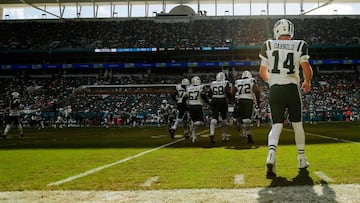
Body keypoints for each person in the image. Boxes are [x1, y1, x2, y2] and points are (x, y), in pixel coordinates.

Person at [259, 19, 313, 179]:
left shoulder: (268, 44)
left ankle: (271, 155)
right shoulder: (300, 44)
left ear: (276, 30)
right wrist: (307, 82)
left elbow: (262, 71)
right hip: (291, 88)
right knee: (297, 125)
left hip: (275, 89)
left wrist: (272, 82)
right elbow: (306, 68)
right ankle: (301, 159)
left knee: (276, 125)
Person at [231, 70, 261, 144]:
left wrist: (234, 101)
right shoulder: (251, 80)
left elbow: (232, 92)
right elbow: (257, 90)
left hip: (240, 100)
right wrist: (258, 101)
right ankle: (248, 134)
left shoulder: (238, 81)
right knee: (247, 120)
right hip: (248, 100)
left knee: (242, 117)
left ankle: (238, 122)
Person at [184, 76, 209, 143]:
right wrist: (209, 103)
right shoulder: (201, 87)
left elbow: (184, 98)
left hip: (191, 106)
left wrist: (185, 105)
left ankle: (194, 136)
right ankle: (192, 127)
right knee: (200, 122)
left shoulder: (188, 88)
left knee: (195, 121)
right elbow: (204, 96)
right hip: (198, 106)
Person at [208, 72, 231, 143]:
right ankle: (224, 136)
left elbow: (209, 93)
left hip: (214, 99)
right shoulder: (226, 82)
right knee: (224, 118)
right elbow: (227, 92)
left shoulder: (212, 83)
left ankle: (212, 133)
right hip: (222, 99)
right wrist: (230, 99)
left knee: (214, 117)